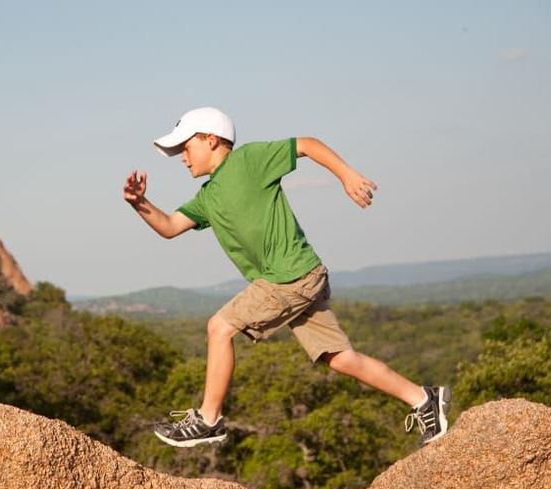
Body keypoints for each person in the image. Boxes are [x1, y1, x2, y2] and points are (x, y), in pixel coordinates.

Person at [122, 106, 450, 448]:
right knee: (338, 358)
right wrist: (138, 202)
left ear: (211, 140)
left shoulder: (248, 160)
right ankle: (424, 399)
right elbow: (170, 227)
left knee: (219, 327)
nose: (182, 157)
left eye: (185, 148)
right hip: (299, 276)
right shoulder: (207, 197)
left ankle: (208, 419)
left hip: (290, 277)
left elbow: (306, 144)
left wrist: (346, 175)